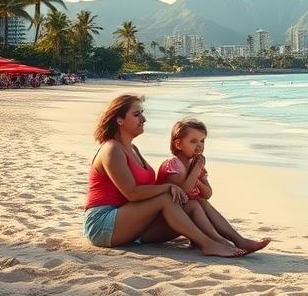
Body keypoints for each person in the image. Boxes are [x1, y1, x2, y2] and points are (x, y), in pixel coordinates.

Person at [83, 93, 243, 257]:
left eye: (142, 113)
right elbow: (132, 193)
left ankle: (234, 240)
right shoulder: (112, 149)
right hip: (102, 225)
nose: (143, 119)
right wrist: (169, 186)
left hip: (131, 222)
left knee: (192, 204)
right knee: (166, 198)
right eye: (137, 114)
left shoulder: (133, 149)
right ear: (119, 120)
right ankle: (208, 244)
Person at [157, 118, 271, 253]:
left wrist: (198, 177)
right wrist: (195, 170)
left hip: (184, 221)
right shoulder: (173, 164)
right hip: (164, 221)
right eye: (193, 141)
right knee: (193, 203)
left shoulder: (195, 164)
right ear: (178, 144)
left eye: (202, 141)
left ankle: (238, 239)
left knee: (201, 201)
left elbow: (208, 193)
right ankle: (219, 241)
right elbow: (185, 192)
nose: (199, 145)